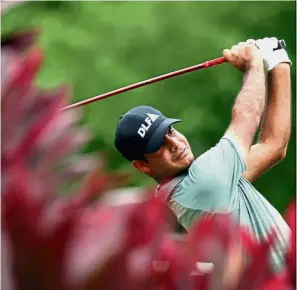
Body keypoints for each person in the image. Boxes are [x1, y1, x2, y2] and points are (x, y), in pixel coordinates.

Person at [113, 37, 292, 273]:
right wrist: (254, 61)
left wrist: (278, 60)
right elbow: (246, 116)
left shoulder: (215, 178)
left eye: (170, 131)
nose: (174, 143)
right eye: (159, 144)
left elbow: (273, 145)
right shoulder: (202, 184)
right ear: (142, 166)